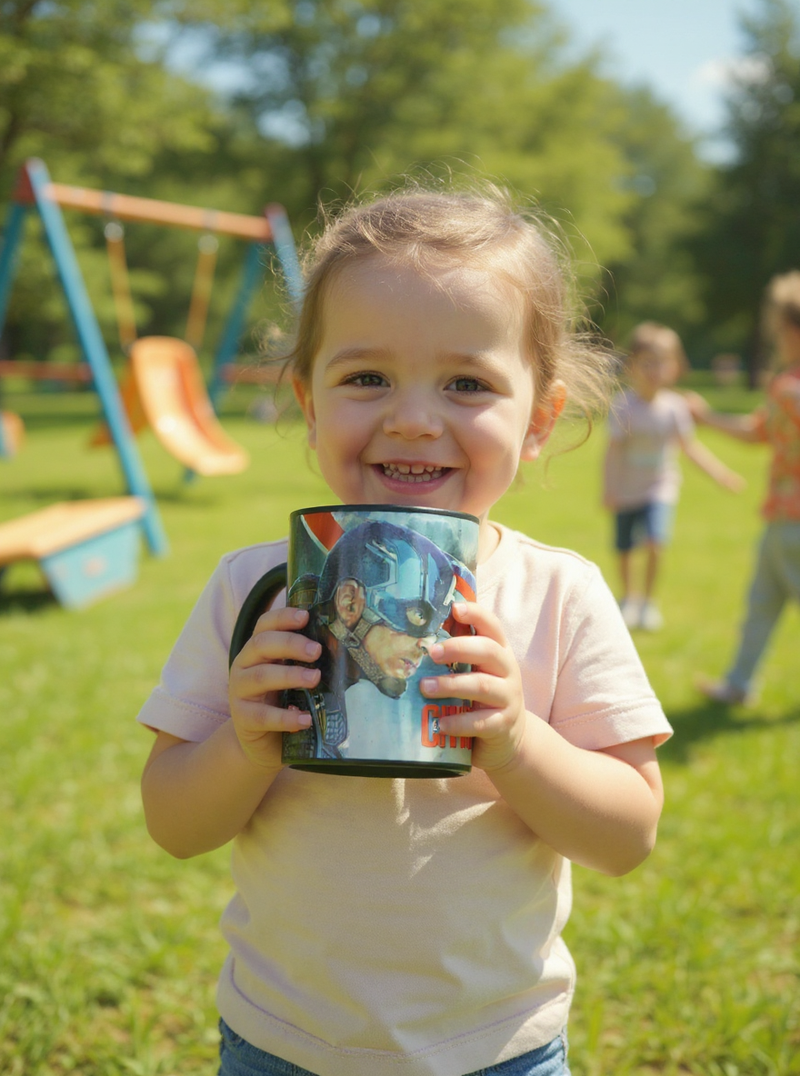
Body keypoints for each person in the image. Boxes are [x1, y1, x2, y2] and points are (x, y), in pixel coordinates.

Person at [138, 185, 673, 1076]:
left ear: (539, 418)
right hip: (281, 1043)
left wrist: (513, 741)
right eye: (366, 377)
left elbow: (627, 836)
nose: (415, 417)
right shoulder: (251, 588)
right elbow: (173, 823)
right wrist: (244, 739)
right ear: (309, 403)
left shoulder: (557, 592)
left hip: (498, 1050)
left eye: (467, 382)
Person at [689, 271, 800, 705]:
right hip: (780, 520)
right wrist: (709, 416)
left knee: (762, 605)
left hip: (793, 524)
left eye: (778, 329)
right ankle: (738, 684)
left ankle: (738, 684)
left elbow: (760, 430)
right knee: (761, 604)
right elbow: (760, 431)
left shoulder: (789, 387)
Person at [283, 518, 473, 760]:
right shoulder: (280, 669)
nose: (427, 645)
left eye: (433, 630)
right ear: (349, 603)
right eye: (417, 615)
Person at [603, 322, 745, 631]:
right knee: (625, 549)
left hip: (660, 487)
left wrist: (721, 475)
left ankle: (648, 603)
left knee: (655, 542)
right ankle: (628, 598)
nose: (654, 370)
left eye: (663, 362)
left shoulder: (674, 408)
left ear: (675, 367)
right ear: (632, 366)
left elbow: (690, 448)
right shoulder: (623, 406)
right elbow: (612, 451)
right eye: (647, 362)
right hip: (627, 490)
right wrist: (609, 488)